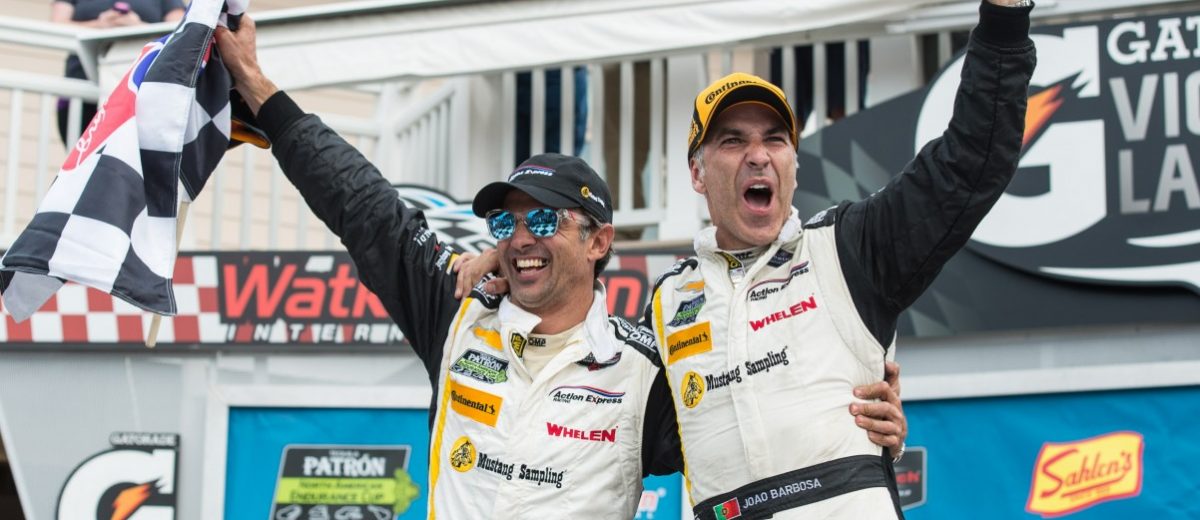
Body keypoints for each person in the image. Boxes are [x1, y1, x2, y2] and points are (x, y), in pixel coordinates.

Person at [216, 14, 907, 519]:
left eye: (544, 221)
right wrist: (261, 92)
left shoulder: (645, 369)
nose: (521, 238)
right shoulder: (459, 315)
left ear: (598, 241)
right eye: (507, 223)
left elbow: (748, 410)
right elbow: (362, 206)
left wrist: (860, 417)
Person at [460, 0, 1036, 517]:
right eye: (733, 141)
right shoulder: (669, 301)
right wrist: (515, 255)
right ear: (697, 173)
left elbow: (971, 161)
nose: (757, 156)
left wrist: (1005, 16)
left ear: (793, 165)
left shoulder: (848, 249)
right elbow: (600, 407)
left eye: (775, 140)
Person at [50, 0, 184, 146]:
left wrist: (137, 27)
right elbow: (57, 25)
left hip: (141, 95)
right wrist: (100, 25)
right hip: (81, 90)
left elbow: (181, 32)